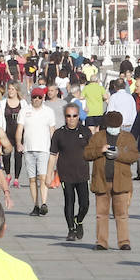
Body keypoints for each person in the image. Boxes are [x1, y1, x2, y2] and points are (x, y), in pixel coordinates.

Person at [85, 111, 140, 251]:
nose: (113, 127)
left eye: (116, 125)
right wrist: (100, 150)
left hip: (121, 182)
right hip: (101, 181)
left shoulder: (127, 137)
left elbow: (134, 156)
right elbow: (86, 154)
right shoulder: (98, 137)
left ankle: (123, 242)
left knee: (121, 214)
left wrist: (119, 153)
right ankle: (102, 242)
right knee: (101, 214)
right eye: (111, 125)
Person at [47, 102, 94, 241]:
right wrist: (49, 175)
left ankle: (78, 221)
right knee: (69, 201)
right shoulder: (59, 133)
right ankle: (71, 230)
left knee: (85, 204)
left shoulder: (86, 132)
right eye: (68, 116)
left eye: (74, 116)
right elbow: (53, 155)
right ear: (65, 117)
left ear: (79, 116)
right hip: (65, 173)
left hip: (82, 173)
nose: (71, 118)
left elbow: (93, 151)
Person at [17, 88, 58, 216]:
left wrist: (55, 148)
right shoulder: (24, 111)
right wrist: (19, 143)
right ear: (31, 98)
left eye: (39, 97)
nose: (37, 100)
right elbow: (20, 129)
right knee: (32, 179)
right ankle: (36, 204)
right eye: (35, 97)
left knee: (43, 177)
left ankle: (44, 203)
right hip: (29, 149)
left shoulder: (49, 112)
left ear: (43, 98)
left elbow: (52, 131)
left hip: (44, 149)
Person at [0, 82, 25, 185]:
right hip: (6, 132)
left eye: (12, 89)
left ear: (17, 90)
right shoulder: (3, 103)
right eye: (9, 89)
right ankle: (8, 174)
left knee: (18, 155)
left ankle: (16, 178)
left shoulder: (23, 103)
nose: (10, 91)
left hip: (19, 133)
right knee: (6, 155)